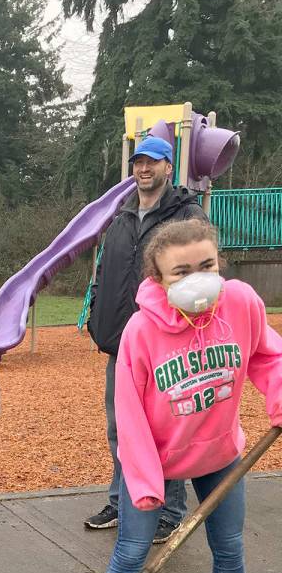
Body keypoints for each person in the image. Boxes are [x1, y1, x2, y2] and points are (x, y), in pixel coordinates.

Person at [100, 219, 281, 573]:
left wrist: (278, 395)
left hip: (221, 453)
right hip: (156, 461)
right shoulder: (140, 332)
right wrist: (142, 484)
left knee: (230, 547)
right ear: (157, 279)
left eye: (207, 264)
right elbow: (129, 415)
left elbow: (267, 354)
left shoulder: (240, 303)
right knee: (133, 550)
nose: (198, 278)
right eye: (181, 272)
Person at [86, 136, 208, 542]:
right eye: (138, 162)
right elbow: (105, 272)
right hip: (122, 344)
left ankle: (170, 511)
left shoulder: (186, 217)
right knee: (121, 427)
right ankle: (121, 501)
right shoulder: (121, 217)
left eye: (153, 162)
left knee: (164, 432)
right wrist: (97, 320)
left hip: (166, 344)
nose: (143, 169)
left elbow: (200, 279)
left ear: (168, 167)